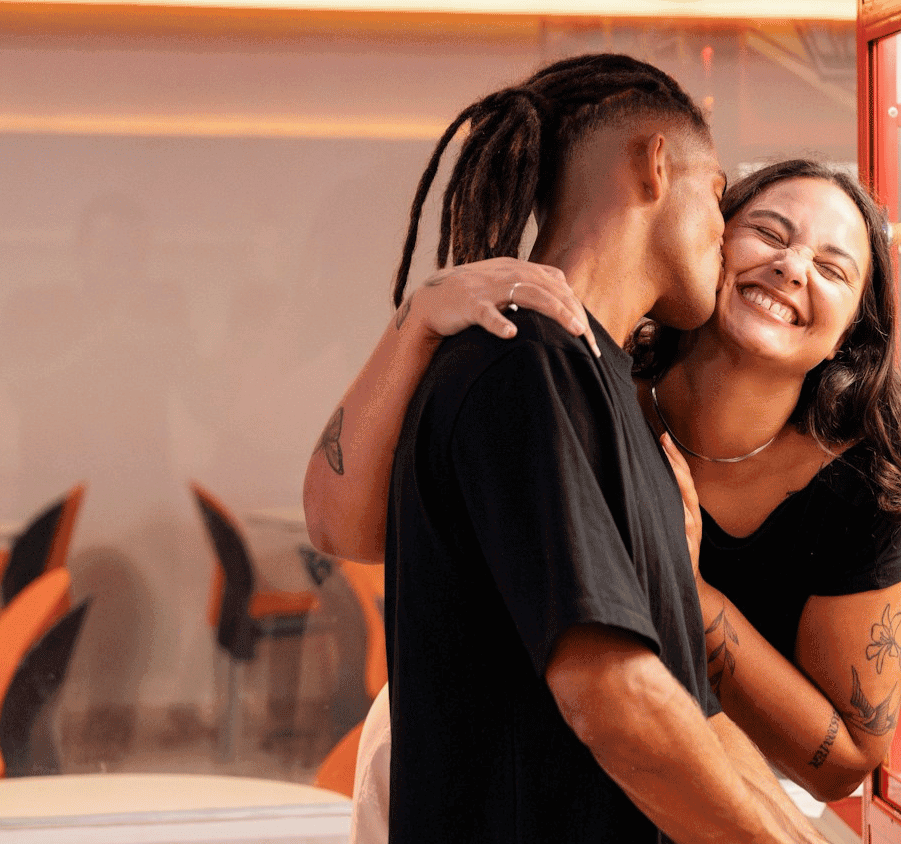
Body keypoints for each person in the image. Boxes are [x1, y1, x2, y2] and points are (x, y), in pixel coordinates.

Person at [304, 156, 901, 812]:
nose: (792, 266)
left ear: (852, 331)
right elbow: (342, 529)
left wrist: (684, 585)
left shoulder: (858, 490)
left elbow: (841, 765)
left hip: (711, 799)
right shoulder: (587, 384)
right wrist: (418, 317)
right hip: (489, 767)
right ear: (713, 240)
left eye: (832, 267)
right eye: (772, 233)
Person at [320, 53, 827, 843]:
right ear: (656, 164)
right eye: (720, 195)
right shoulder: (524, 360)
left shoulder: (604, 390)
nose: (725, 234)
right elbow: (615, 699)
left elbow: (687, 703)